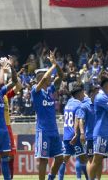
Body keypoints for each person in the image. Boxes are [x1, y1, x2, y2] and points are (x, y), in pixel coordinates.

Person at [31, 50, 64, 180]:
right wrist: (52, 66)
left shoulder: (50, 89)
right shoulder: (35, 91)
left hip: (53, 130)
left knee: (60, 158)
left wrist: (56, 64)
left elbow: (61, 76)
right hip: (43, 130)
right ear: (40, 78)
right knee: (43, 159)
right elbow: (45, 77)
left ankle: (51, 177)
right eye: (48, 76)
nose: (50, 77)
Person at [58, 83, 88, 180]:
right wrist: (81, 133)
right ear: (79, 93)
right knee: (83, 158)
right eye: (83, 93)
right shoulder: (79, 104)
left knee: (64, 160)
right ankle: (86, 178)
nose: (84, 95)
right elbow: (79, 120)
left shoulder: (68, 103)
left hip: (66, 135)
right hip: (76, 135)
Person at [77, 85, 99, 178]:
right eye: (97, 93)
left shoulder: (100, 104)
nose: (99, 95)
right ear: (92, 94)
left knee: (98, 160)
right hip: (90, 137)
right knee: (90, 160)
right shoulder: (85, 106)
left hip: (100, 136)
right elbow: (80, 120)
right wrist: (82, 133)